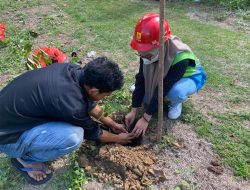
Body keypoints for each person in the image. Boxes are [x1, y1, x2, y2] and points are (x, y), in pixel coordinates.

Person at [0, 56, 134, 185]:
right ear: (94, 90)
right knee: (74, 136)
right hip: (8, 138)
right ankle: (26, 159)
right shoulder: (72, 105)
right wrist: (119, 139)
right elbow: (94, 132)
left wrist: (111, 123)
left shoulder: (72, 71)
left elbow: (89, 103)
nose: (105, 98)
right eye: (106, 95)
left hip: (11, 118)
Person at [125, 12, 207, 137]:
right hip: (164, 76)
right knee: (145, 100)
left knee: (175, 92)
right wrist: (134, 110)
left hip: (188, 78)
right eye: (140, 53)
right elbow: (141, 78)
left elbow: (163, 87)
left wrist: (146, 118)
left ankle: (176, 103)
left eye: (146, 53)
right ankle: (151, 98)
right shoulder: (147, 52)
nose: (143, 57)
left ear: (161, 43)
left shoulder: (181, 57)